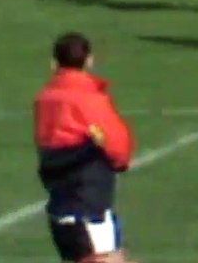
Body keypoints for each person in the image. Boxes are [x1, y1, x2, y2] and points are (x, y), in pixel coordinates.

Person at [35, 32, 137, 263]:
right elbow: (118, 145)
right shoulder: (90, 99)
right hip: (89, 203)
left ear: (54, 63)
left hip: (60, 202)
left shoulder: (44, 99)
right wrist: (119, 161)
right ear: (89, 60)